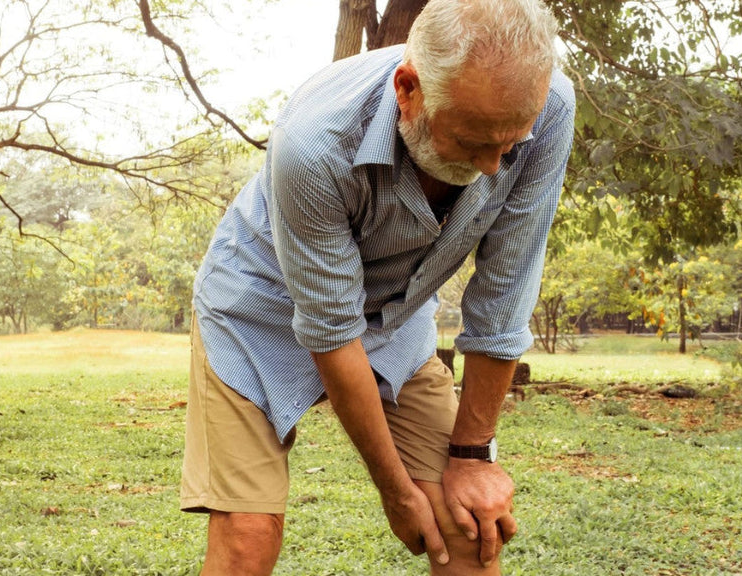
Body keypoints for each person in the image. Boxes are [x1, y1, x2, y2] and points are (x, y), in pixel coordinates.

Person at [180, 0, 574, 574]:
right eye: (471, 142)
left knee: (465, 524)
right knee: (248, 534)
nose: (494, 167)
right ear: (408, 89)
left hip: (393, 313)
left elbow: (505, 293)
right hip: (257, 308)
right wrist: (394, 489)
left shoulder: (549, 109)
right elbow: (333, 333)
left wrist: (472, 455)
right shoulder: (313, 142)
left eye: (510, 144)